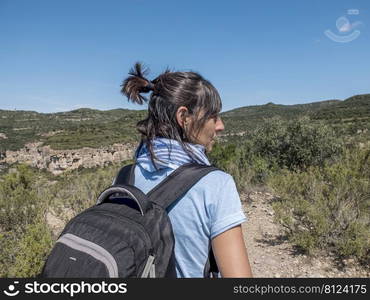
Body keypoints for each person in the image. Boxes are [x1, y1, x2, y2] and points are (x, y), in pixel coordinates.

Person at [120, 62, 252, 278]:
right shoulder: (216, 184)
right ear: (184, 118)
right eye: (213, 115)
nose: (220, 126)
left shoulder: (126, 176)